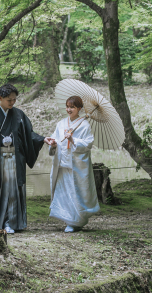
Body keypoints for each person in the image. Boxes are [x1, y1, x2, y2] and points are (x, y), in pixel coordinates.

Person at [0, 83, 54, 233]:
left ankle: (15, 223)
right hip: (0, 160)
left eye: (14, 99)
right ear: (0, 98)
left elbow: (29, 134)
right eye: (9, 100)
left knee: (15, 190)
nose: (12, 102)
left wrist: (42, 139)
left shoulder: (19, 115)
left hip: (16, 158)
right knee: (3, 190)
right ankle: (3, 223)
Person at [48, 96, 100, 232]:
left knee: (75, 192)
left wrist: (73, 139)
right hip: (62, 163)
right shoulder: (61, 124)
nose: (69, 109)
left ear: (79, 109)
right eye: (67, 106)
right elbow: (55, 138)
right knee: (64, 192)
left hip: (76, 165)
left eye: (72, 107)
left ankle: (75, 221)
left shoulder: (84, 125)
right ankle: (67, 219)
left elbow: (88, 143)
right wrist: (53, 144)